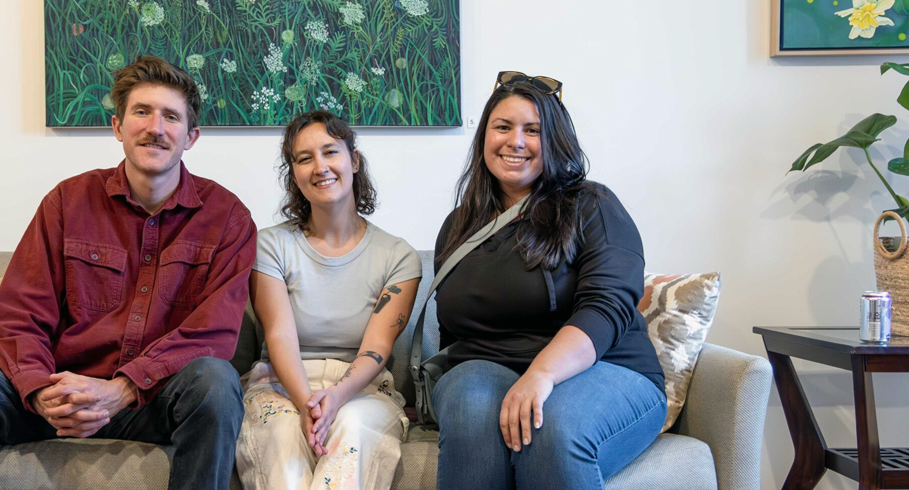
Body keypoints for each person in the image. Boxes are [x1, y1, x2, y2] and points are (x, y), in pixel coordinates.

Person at [0, 55, 257, 490]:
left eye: (171, 116)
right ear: (117, 127)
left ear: (191, 136)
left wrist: (123, 390)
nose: (156, 127)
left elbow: (213, 333)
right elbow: (22, 312)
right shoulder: (67, 201)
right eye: (142, 112)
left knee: (215, 382)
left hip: (151, 403)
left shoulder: (227, 217)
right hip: (59, 395)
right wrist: (41, 392)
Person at [431, 72, 666, 490]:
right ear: (484, 136)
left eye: (533, 130)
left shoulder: (592, 205)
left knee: (549, 427)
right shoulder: (458, 224)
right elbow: (451, 327)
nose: (515, 141)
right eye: (502, 127)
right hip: (484, 368)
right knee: (468, 408)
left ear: (555, 140)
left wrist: (541, 374)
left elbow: (606, 307)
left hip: (604, 368)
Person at [235, 111, 421, 490]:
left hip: (362, 391)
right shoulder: (270, 245)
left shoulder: (399, 256)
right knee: (286, 434)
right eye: (304, 159)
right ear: (294, 174)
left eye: (330, 152)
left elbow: (377, 348)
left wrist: (335, 397)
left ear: (353, 160)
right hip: (280, 386)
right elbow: (280, 336)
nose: (319, 167)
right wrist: (307, 403)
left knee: (351, 428)